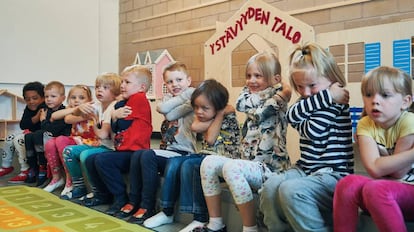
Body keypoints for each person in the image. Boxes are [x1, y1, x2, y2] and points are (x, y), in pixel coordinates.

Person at [259, 42, 354, 232]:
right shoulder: (319, 99)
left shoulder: (337, 100)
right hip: (307, 169)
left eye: (312, 85)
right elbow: (291, 115)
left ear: (331, 78)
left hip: (334, 175)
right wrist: (324, 96)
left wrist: (328, 97)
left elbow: (313, 132)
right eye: (300, 87)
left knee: (291, 190)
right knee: (270, 186)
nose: (306, 93)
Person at [193, 51, 291, 232]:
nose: (251, 80)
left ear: (275, 78)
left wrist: (283, 91)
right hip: (249, 163)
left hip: (270, 169)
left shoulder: (280, 98)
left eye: (258, 76)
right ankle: (216, 224)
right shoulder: (253, 96)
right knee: (208, 162)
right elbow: (241, 104)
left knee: (231, 167)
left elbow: (261, 113)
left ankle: (250, 229)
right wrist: (279, 89)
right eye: (248, 76)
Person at [333, 66, 414, 232]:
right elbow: (374, 168)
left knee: (376, 188)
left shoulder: (409, 121)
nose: (375, 100)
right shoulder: (365, 123)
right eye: (369, 94)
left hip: (409, 189)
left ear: (405, 102)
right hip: (387, 187)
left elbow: (399, 173)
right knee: (347, 184)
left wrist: (381, 159)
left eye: (385, 95)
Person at [115, 61, 197, 225]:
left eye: (179, 80)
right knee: (139, 155)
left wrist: (183, 97)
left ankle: (148, 206)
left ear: (188, 81)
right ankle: (135, 200)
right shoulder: (170, 98)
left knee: (147, 155)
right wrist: (175, 101)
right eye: (170, 81)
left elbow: (168, 113)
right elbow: (162, 108)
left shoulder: (192, 98)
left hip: (184, 152)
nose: (175, 84)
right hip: (168, 150)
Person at [82, 64, 152, 216]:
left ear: (141, 87)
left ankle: (121, 198)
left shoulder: (138, 98)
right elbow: (116, 126)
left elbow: (122, 123)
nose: (122, 86)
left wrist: (115, 116)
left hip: (136, 152)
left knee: (103, 160)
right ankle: (103, 194)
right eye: (122, 82)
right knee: (90, 160)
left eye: (127, 82)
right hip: (124, 151)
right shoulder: (125, 102)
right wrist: (115, 115)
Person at [60, 73, 121, 199]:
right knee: (68, 151)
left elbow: (103, 135)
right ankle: (79, 186)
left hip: (110, 147)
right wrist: (78, 109)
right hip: (100, 144)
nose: (99, 89)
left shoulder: (113, 107)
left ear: (115, 93)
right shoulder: (96, 105)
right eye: (98, 86)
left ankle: (97, 191)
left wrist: (93, 120)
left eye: (105, 87)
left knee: (85, 155)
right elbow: (66, 118)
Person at [42, 84, 94, 193]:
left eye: (81, 98)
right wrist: (76, 109)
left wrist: (81, 113)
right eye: (73, 98)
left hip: (88, 142)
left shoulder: (92, 108)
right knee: (50, 143)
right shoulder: (71, 110)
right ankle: (57, 178)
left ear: (89, 99)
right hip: (75, 140)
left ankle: (69, 178)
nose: (77, 100)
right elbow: (55, 116)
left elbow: (68, 120)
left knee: (61, 139)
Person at [24, 81, 72, 186]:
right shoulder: (46, 110)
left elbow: (52, 130)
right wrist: (44, 120)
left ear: (63, 98)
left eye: (53, 96)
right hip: (49, 136)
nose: (49, 99)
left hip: (60, 137)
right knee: (28, 136)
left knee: (38, 134)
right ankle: (33, 166)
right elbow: (45, 127)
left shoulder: (63, 111)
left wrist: (43, 120)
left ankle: (43, 167)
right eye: (46, 96)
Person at [0, 81, 45, 183]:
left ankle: (26, 169)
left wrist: (37, 119)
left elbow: (45, 127)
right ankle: (6, 166)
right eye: (27, 99)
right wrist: (36, 117)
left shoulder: (45, 108)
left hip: (39, 136)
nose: (31, 102)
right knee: (10, 137)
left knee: (19, 139)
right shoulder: (29, 108)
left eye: (35, 98)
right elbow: (23, 125)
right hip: (30, 134)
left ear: (43, 98)